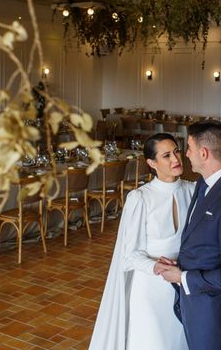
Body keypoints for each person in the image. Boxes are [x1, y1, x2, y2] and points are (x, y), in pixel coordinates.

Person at [89, 133, 194, 350]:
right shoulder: (140, 198)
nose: (176, 159)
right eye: (166, 155)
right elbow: (129, 256)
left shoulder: (193, 191)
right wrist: (155, 266)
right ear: (152, 163)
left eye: (176, 151)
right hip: (150, 290)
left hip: (183, 284)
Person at [159, 120, 221, 350]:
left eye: (189, 148)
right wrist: (180, 264)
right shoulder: (203, 183)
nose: (186, 155)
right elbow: (200, 237)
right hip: (194, 302)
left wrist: (184, 278)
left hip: (211, 311)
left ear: (204, 152)